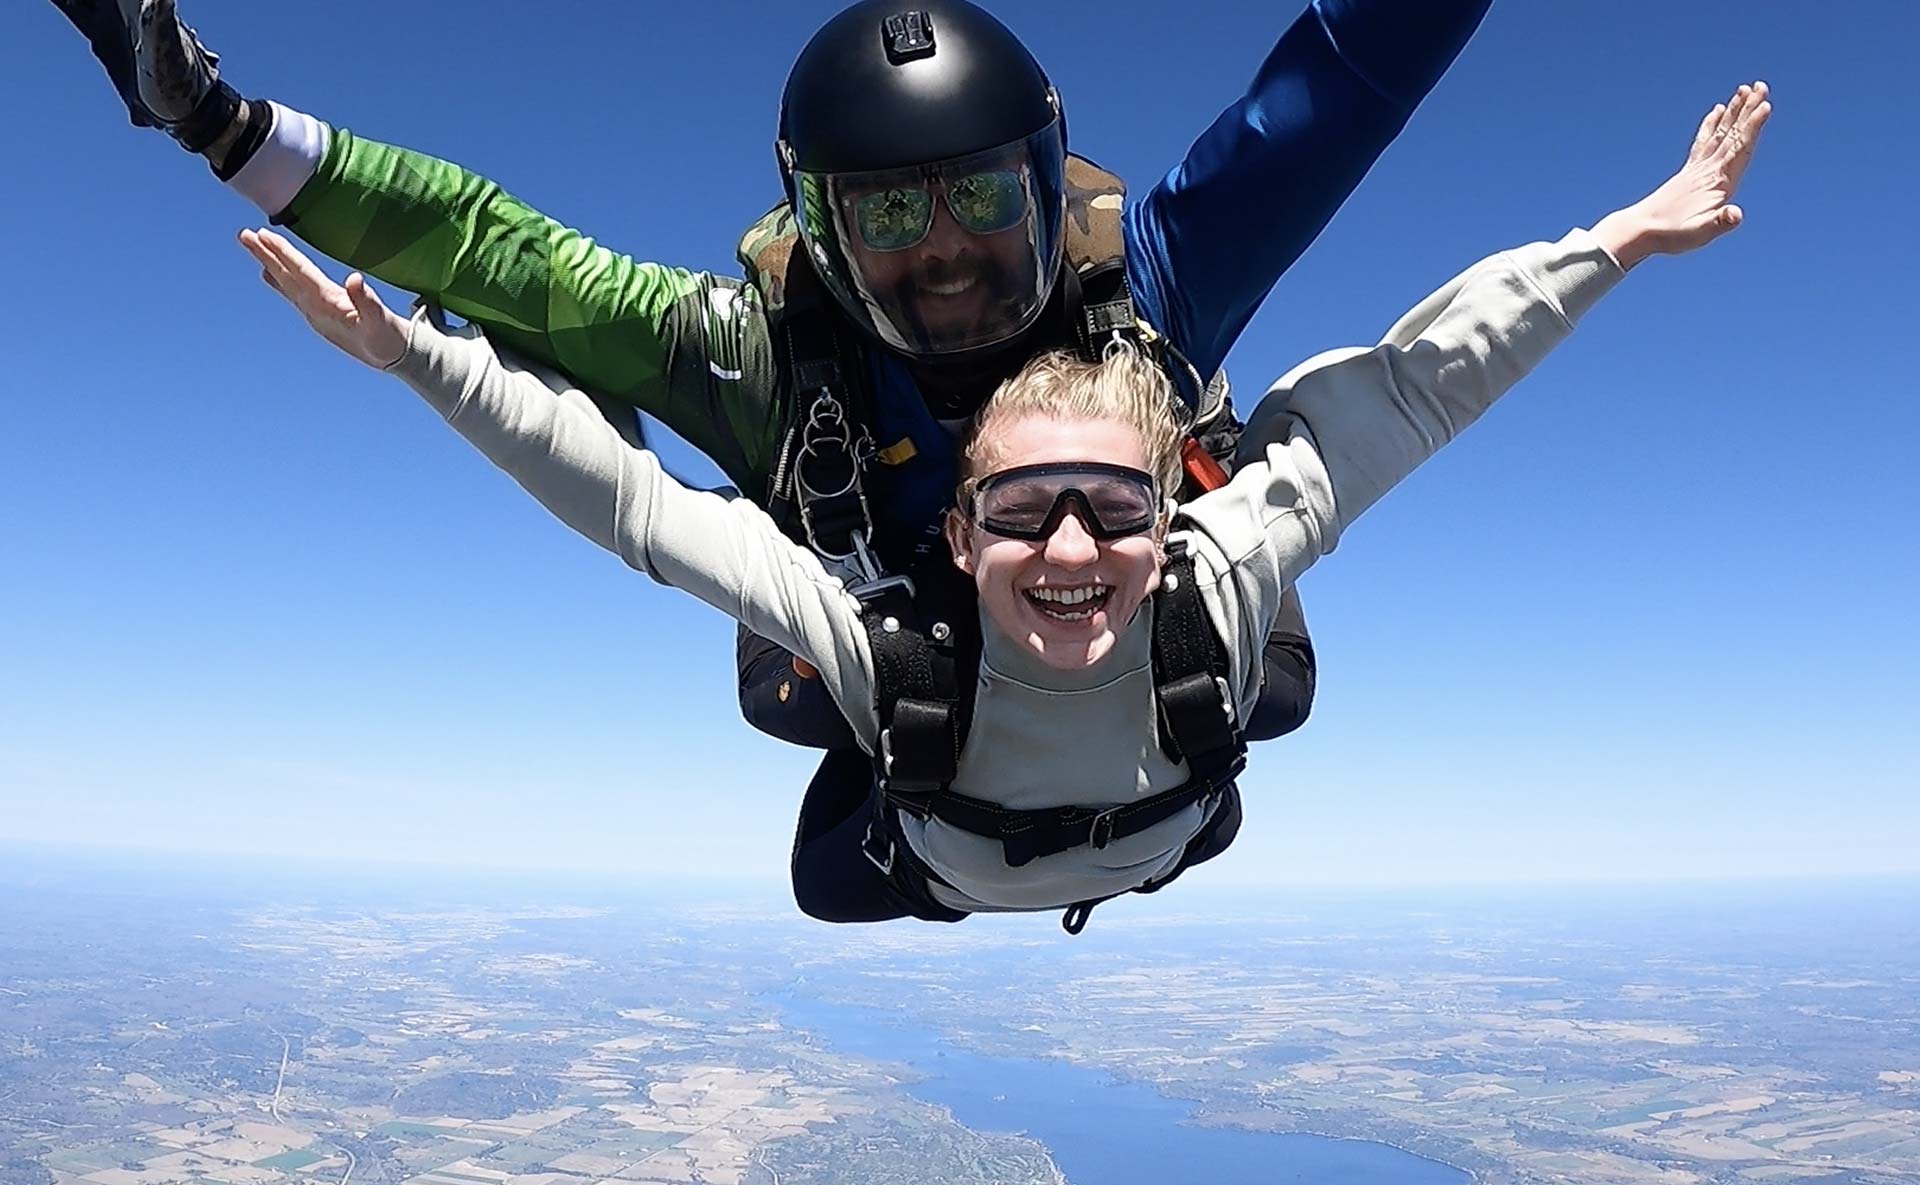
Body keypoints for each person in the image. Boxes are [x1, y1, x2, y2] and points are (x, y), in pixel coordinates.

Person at [47, 0, 1490, 912]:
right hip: (923, 682)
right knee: (803, 772)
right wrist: (220, 125)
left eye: (982, 196)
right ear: (819, 226)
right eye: (886, 219)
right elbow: (508, 259)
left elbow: (1344, 86)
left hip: (1141, 657)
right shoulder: (763, 359)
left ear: (1050, 181)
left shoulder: (1154, 291)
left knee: (1267, 696)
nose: (942, 254)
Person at [237, 84, 1770, 930]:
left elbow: (1424, 384)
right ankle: (977, 863)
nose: (1071, 551)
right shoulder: (879, 632)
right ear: (956, 535)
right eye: (1027, 511)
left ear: (1168, 513)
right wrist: (414, 354)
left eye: (1108, 508)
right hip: (1107, 828)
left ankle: (970, 865)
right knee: (822, 800)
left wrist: (1625, 235)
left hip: (1059, 833)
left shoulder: (1209, 586)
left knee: (1236, 711)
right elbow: (631, 504)